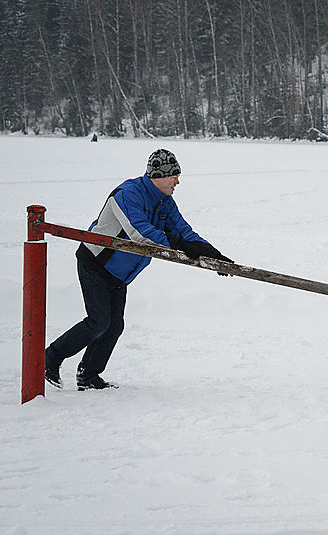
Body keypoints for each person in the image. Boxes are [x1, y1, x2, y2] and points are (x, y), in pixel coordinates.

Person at [44, 148, 232, 391]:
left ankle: (88, 375)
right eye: (174, 176)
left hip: (121, 272)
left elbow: (185, 231)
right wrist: (181, 245)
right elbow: (139, 233)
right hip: (96, 264)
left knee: (114, 326)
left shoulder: (165, 202)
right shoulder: (127, 194)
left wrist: (213, 254)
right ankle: (50, 358)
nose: (178, 181)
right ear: (158, 176)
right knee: (98, 322)